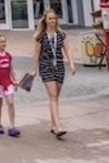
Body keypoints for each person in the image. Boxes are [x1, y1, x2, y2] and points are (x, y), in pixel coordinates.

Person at [32, 9, 76, 138]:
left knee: (55, 97)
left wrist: (71, 63)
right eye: (50, 18)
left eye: (54, 18)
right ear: (45, 20)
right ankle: (58, 126)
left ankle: (53, 124)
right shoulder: (40, 36)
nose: (52, 21)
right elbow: (36, 53)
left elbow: (67, 49)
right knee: (53, 95)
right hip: (46, 66)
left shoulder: (60, 34)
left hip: (59, 66)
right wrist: (33, 69)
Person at [0, 34, 20, 137]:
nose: (3, 44)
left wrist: (15, 80)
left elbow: (11, 69)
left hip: (8, 82)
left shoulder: (8, 55)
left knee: (10, 103)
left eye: (4, 41)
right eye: (1, 42)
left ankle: (12, 126)